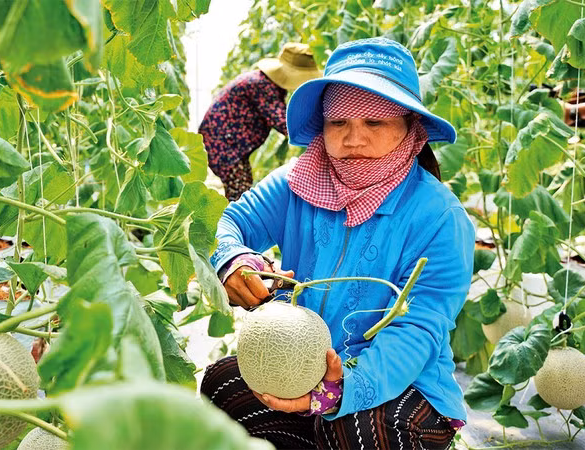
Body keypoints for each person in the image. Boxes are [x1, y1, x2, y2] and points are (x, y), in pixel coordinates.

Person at [201, 37, 474, 450]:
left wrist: (336, 392)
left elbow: (416, 331)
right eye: (339, 122)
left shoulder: (439, 217)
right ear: (323, 126)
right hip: (299, 364)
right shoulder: (296, 182)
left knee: (355, 428)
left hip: (401, 388)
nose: (353, 139)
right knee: (223, 383)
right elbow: (226, 220)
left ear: (409, 128)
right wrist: (231, 259)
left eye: (374, 123)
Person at [198, 42, 320, 201]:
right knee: (239, 195)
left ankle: (232, 222)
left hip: (227, 145)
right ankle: (231, 224)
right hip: (223, 146)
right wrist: (321, 131)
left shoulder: (265, 83)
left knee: (242, 189)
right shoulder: (262, 86)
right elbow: (284, 123)